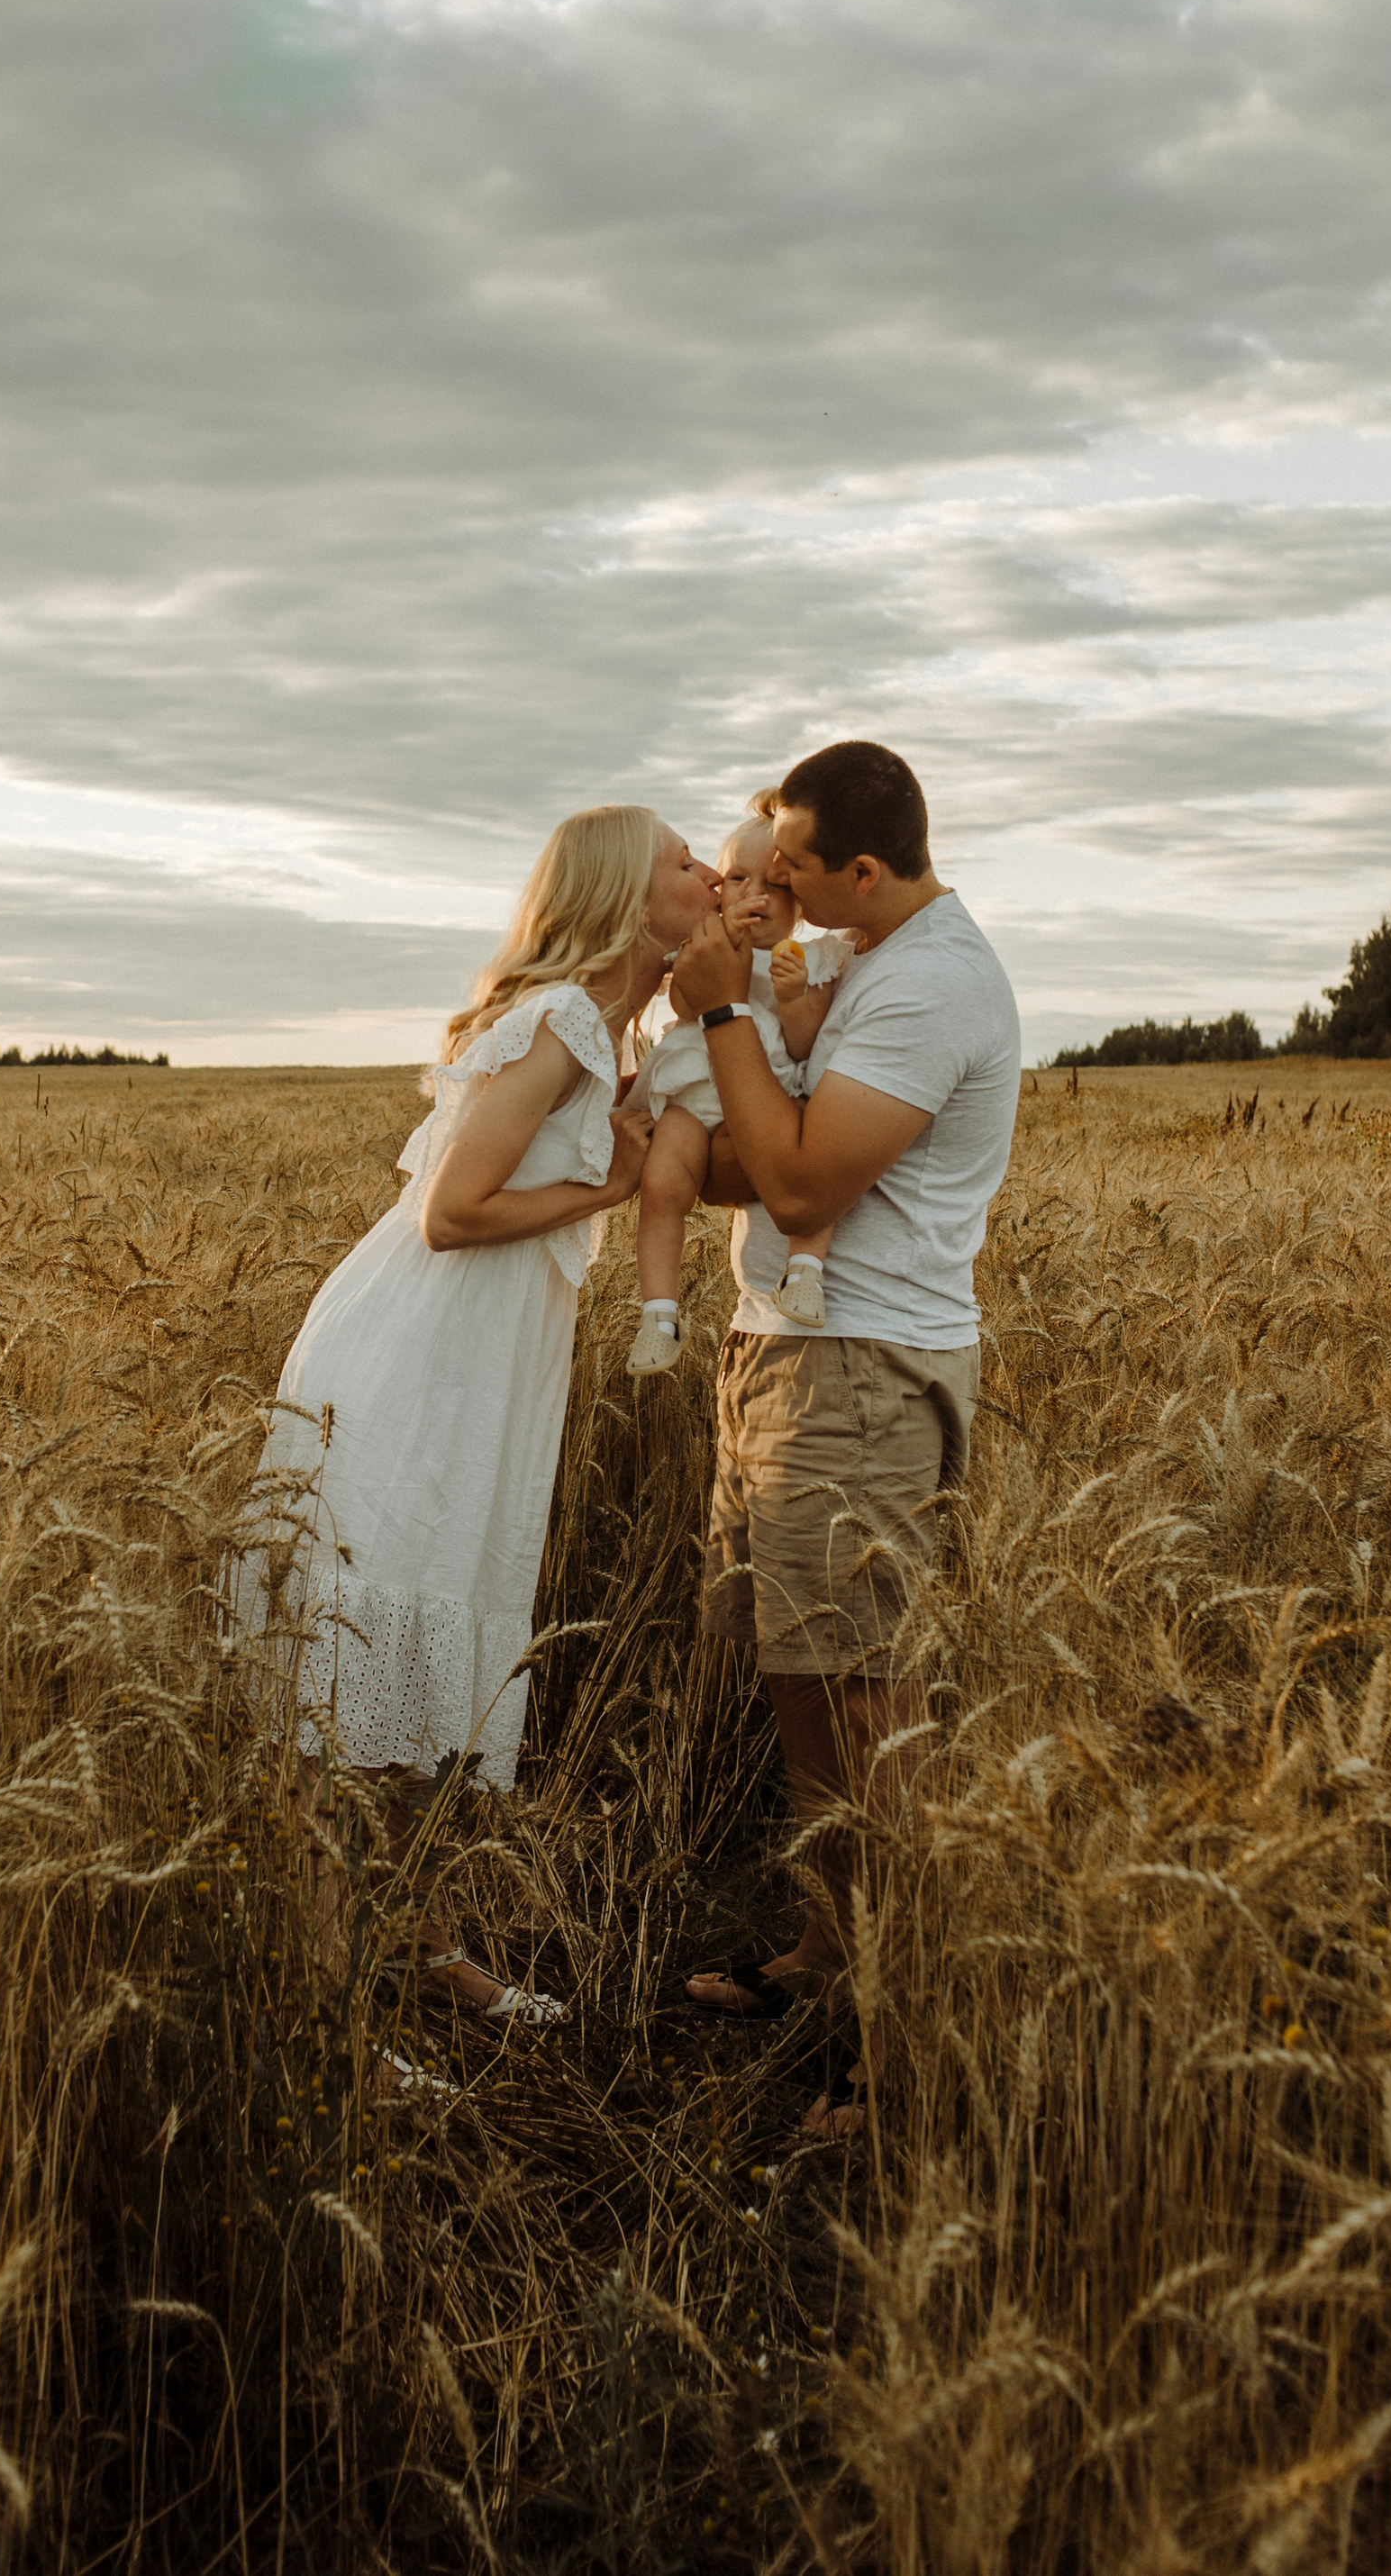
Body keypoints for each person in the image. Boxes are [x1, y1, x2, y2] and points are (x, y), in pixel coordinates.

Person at [252, 805, 719, 2022]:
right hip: (419, 1356)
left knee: (429, 1653)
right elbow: (448, 1213)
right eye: (685, 860)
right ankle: (328, 2012)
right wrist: (608, 1183)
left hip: (481, 1360)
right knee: (350, 1704)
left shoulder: (608, 1032)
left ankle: (423, 1949)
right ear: (626, 895)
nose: (711, 871)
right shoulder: (564, 1018)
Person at [667, 740, 1021, 2132]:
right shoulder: (871, 959)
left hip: (860, 1370)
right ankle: (829, 1953)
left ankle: (908, 2044)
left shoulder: (933, 984)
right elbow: (762, 1154)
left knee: (874, 1709)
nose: (778, 889)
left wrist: (719, 1019)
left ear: (864, 868)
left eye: (797, 868)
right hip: (789, 1356)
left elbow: (806, 1186)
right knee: (802, 1676)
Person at [625, 798, 857, 1374]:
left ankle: (804, 1272)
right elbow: (681, 1005)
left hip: (769, 1092)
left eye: (776, 883)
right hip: (693, 1090)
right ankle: (659, 1313)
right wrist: (715, 950)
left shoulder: (809, 959)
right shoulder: (702, 945)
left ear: (800, 901)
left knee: (818, 1164)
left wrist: (793, 999)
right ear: (720, 890)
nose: (756, 894)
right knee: (660, 1185)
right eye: (737, 878)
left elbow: (803, 1045)